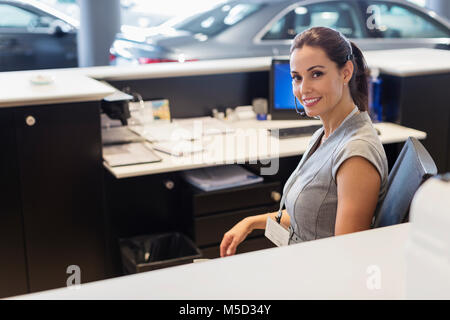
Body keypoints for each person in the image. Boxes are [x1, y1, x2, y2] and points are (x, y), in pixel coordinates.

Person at [220, 26, 388, 257]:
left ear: (346, 72)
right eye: (296, 77)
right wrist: (250, 222)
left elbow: (348, 256)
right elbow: (310, 214)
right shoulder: (327, 133)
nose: (303, 88)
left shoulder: (356, 154)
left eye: (316, 74)